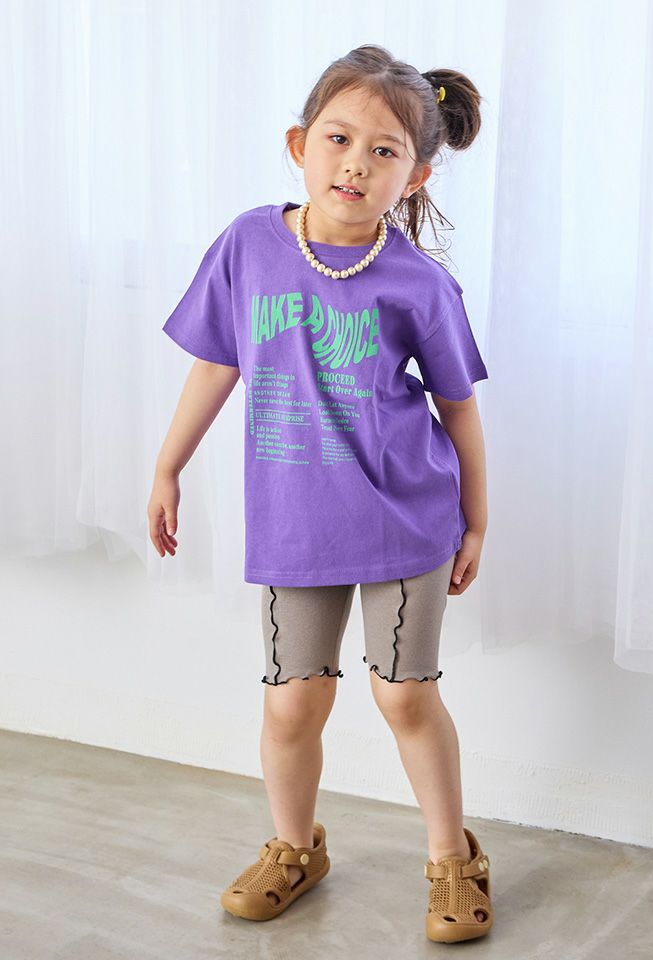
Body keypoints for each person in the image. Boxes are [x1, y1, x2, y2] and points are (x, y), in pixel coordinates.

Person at [147, 44, 492, 943]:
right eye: (338, 139)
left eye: (384, 151)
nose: (355, 163)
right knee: (293, 702)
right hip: (297, 523)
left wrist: (476, 521)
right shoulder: (249, 245)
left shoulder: (419, 281)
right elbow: (216, 362)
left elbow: (458, 408)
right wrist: (167, 466)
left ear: (414, 176)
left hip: (407, 520)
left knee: (403, 697)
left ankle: (453, 859)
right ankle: (294, 849)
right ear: (300, 143)